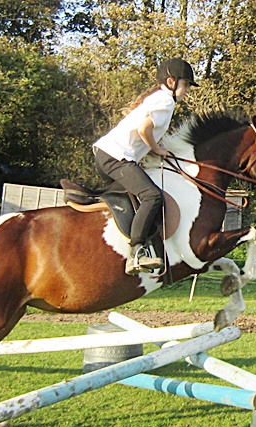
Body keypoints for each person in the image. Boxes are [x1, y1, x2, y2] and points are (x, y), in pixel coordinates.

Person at [93, 58, 198, 275]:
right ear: (171, 82)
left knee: (137, 199)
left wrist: (154, 150)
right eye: (186, 84)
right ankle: (136, 253)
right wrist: (157, 149)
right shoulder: (166, 102)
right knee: (152, 196)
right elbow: (144, 130)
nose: (187, 90)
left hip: (106, 155)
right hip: (116, 157)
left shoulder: (157, 99)